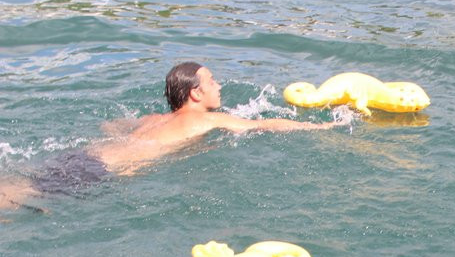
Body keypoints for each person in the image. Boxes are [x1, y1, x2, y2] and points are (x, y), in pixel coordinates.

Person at [1, 62, 340, 210]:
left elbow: (111, 127)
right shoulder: (205, 122)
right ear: (194, 93)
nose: (218, 86)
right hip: (99, 173)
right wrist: (322, 127)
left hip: (86, 156)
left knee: (21, 186)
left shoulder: (150, 119)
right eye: (211, 81)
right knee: (22, 200)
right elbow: (264, 126)